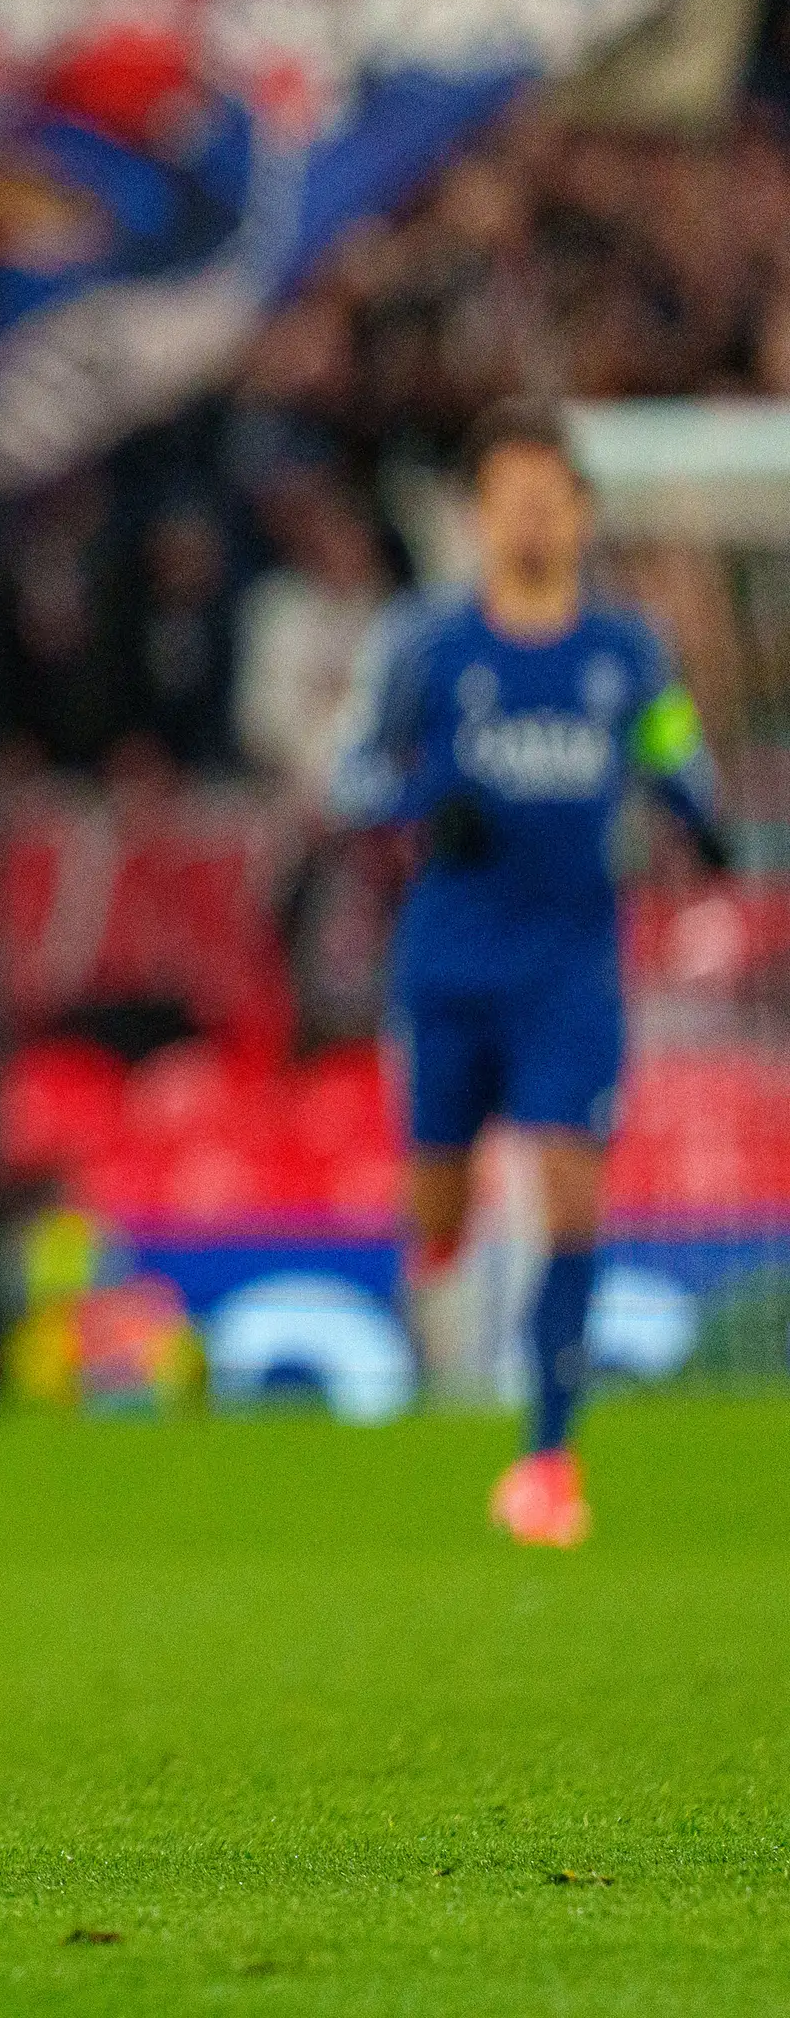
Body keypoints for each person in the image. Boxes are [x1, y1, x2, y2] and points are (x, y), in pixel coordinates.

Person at [329, 401, 727, 1551]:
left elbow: (669, 743)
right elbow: (353, 774)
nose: (535, 515)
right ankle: (438, 1301)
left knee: (570, 1191)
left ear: (584, 513)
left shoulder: (623, 651)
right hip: (451, 966)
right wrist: (415, 808)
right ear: (478, 514)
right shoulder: (429, 647)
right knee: (441, 1210)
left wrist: (696, 810)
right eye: (513, 495)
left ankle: (549, 1457)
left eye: (553, 495)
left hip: (570, 966)